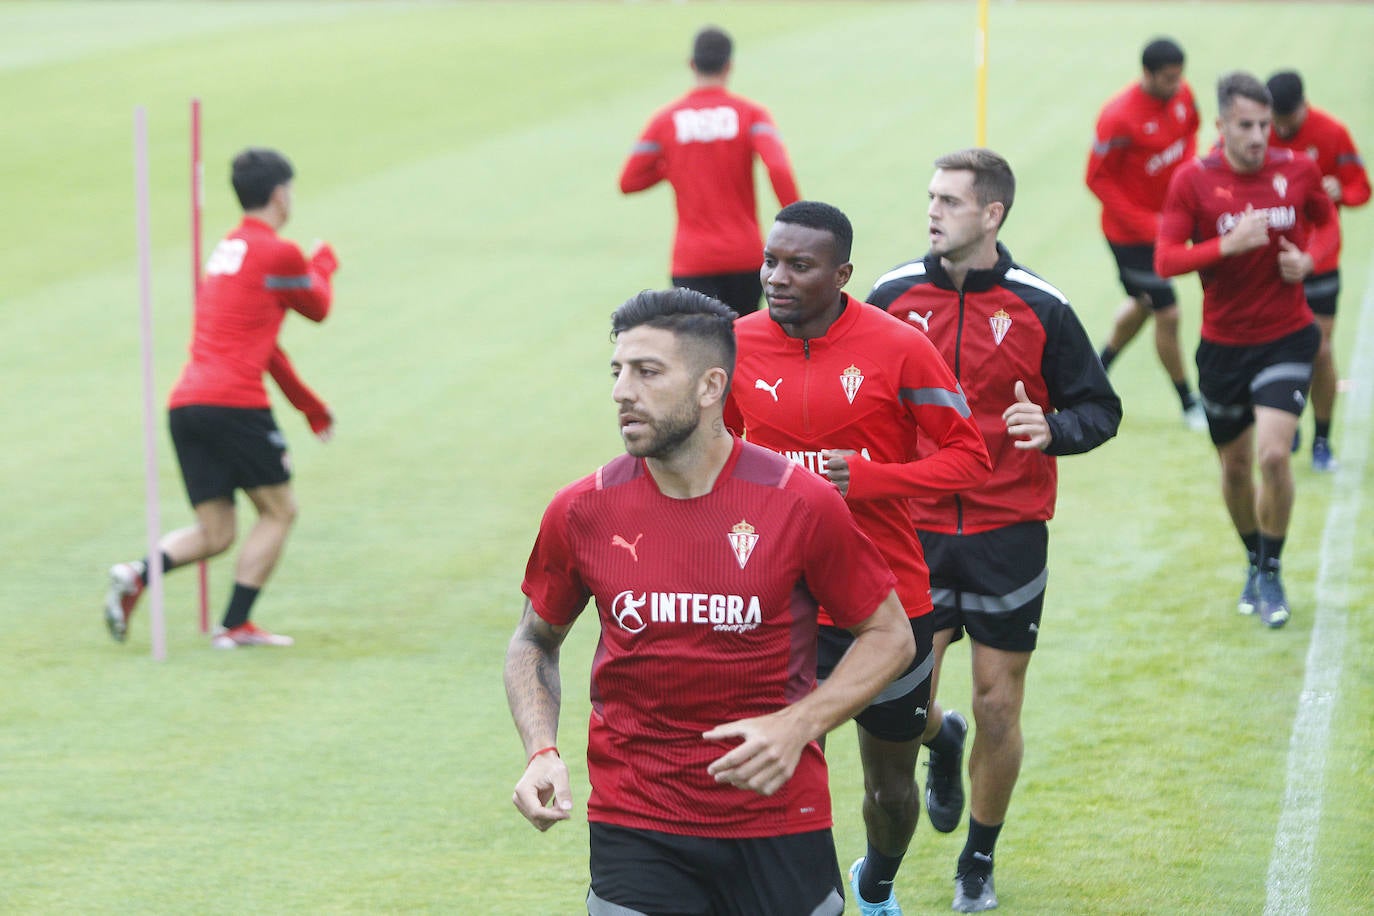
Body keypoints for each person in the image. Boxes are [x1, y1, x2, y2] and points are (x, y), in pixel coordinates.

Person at [505, 288, 915, 916]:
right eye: (617, 371)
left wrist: (798, 725)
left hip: (778, 818)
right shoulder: (582, 510)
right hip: (636, 818)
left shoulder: (800, 503)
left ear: (709, 386)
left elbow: (890, 635)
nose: (621, 391)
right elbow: (535, 641)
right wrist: (542, 750)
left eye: (647, 372)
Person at [868, 148, 1122, 912]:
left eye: (949, 200)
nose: (933, 212)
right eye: (931, 198)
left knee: (999, 705)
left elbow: (1099, 410)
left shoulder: (1043, 306)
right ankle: (939, 744)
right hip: (909, 529)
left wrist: (1053, 427)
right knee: (900, 704)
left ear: (992, 214)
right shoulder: (890, 296)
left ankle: (977, 859)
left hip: (1008, 530)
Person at [723, 201, 992, 916]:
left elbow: (971, 457)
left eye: (799, 266)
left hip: (885, 605)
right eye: (770, 261)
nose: (776, 278)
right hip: (773, 600)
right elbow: (709, 461)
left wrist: (874, 478)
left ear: (842, 274)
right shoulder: (733, 345)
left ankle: (877, 882)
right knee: (763, 764)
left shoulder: (899, 347)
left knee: (887, 790)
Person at [103, 147, 339, 649]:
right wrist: (324, 263)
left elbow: (267, 349)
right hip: (234, 404)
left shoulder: (226, 250)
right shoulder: (279, 252)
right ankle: (233, 626)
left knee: (216, 531)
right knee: (280, 511)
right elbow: (317, 307)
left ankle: (135, 573)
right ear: (279, 194)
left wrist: (310, 407)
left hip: (186, 404)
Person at [1155, 72, 1337, 629]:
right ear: (1222, 126)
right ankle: (1255, 559)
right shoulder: (1193, 181)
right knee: (1235, 469)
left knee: (1273, 455)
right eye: (1246, 126)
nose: (1259, 136)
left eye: (1264, 124)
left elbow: (1327, 227)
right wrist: (1223, 246)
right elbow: (1165, 259)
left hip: (1287, 336)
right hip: (1223, 349)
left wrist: (1309, 262)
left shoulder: (1298, 169)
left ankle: (1274, 568)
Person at [617, 25, 800, 316]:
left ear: (692, 64)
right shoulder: (750, 114)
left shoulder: (667, 119)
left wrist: (672, 166)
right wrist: (797, 223)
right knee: (742, 344)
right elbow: (777, 166)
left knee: (697, 349)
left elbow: (629, 181)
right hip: (745, 254)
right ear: (729, 66)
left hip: (692, 259)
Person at [1086, 37, 1204, 429]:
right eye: (1168, 79)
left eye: (1179, 77)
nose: (1176, 85)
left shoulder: (1183, 96)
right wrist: (1147, 224)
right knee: (1167, 312)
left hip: (1165, 228)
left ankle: (1094, 371)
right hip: (1130, 238)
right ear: (1148, 74)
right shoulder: (1118, 117)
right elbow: (1097, 180)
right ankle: (1189, 403)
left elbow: (1190, 131)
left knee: (1143, 305)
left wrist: (1186, 182)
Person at [1265, 69, 1371, 471]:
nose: (1280, 128)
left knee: (1319, 349)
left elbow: (1362, 187)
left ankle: (1322, 440)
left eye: (1287, 121)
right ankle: (1286, 422)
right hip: (1275, 264)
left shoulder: (1332, 132)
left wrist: (1341, 190)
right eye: (1276, 120)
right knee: (1277, 349)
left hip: (1321, 262)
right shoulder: (1260, 133)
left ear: (1303, 107)